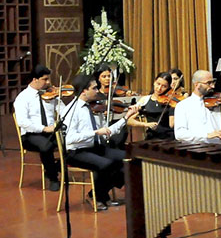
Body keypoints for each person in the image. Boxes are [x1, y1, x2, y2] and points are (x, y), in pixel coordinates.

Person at [61, 74, 141, 210]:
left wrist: (126, 118)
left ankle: (99, 194)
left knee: (128, 159)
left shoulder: (90, 108)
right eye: (94, 88)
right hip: (76, 152)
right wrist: (95, 133)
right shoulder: (71, 110)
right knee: (107, 164)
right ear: (84, 91)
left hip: (93, 147)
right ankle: (97, 196)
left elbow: (107, 131)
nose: (97, 91)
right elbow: (69, 138)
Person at [14, 65, 62, 191]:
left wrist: (59, 98)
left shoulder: (50, 94)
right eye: (45, 79)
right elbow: (22, 122)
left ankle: (54, 167)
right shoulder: (22, 98)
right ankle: (53, 178)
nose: (48, 82)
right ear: (35, 79)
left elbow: (62, 111)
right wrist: (44, 129)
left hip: (51, 132)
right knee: (46, 146)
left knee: (73, 143)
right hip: (31, 135)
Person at [174, 70, 221, 144]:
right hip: (197, 150)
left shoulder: (218, 103)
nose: (213, 86)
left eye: (213, 82)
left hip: (219, 148)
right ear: (197, 84)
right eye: (208, 83)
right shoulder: (183, 106)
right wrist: (206, 135)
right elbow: (180, 134)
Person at [127, 72, 176, 140]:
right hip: (152, 137)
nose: (159, 88)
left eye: (164, 86)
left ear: (168, 87)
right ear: (154, 82)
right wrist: (146, 124)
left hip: (168, 138)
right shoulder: (145, 100)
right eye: (158, 84)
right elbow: (129, 120)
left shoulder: (171, 102)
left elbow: (171, 125)